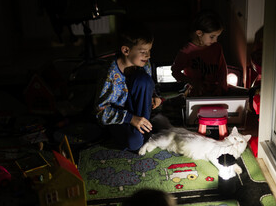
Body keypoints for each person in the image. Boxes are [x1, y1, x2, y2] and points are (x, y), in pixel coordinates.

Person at [95, 22, 162, 151]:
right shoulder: (110, 75)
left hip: (136, 111)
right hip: (120, 117)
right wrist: (130, 118)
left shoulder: (144, 64)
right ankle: (141, 132)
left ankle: (143, 129)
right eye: (143, 52)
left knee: (144, 80)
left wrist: (155, 95)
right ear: (126, 50)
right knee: (135, 143)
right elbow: (100, 112)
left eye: (149, 51)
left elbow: (150, 84)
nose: (148, 56)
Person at [171, 10, 228, 97]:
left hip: (216, 94)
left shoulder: (216, 47)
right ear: (199, 33)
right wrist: (192, 82)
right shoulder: (187, 51)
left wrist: (222, 87)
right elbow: (175, 72)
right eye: (212, 37)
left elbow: (222, 70)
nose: (215, 40)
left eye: (217, 36)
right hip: (196, 95)